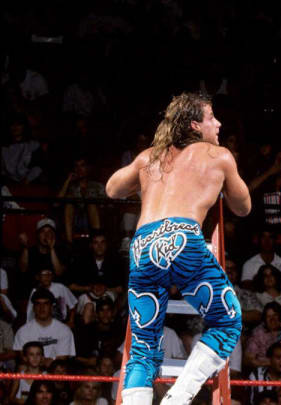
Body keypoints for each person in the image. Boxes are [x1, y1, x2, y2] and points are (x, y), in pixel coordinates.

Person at [105, 92, 251, 405]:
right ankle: (177, 399)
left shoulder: (151, 156)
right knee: (228, 321)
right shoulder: (219, 156)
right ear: (195, 125)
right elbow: (244, 207)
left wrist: (146, 176)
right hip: (181, 238)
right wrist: (224, 177)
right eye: (211, 118)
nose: (218, 123)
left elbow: (112, 188)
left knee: (143, 348)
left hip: (143, 244)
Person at [13, 289, 75, 367]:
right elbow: (23, 358)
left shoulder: (64, 330)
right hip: (32, 371)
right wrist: (46, 361)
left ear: (51, 307)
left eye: (46, 304)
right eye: (38, 304)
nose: (42, 308)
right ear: (33, 308)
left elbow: (62, 359)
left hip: (55, 371)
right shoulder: (23, 331)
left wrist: (40, 362)